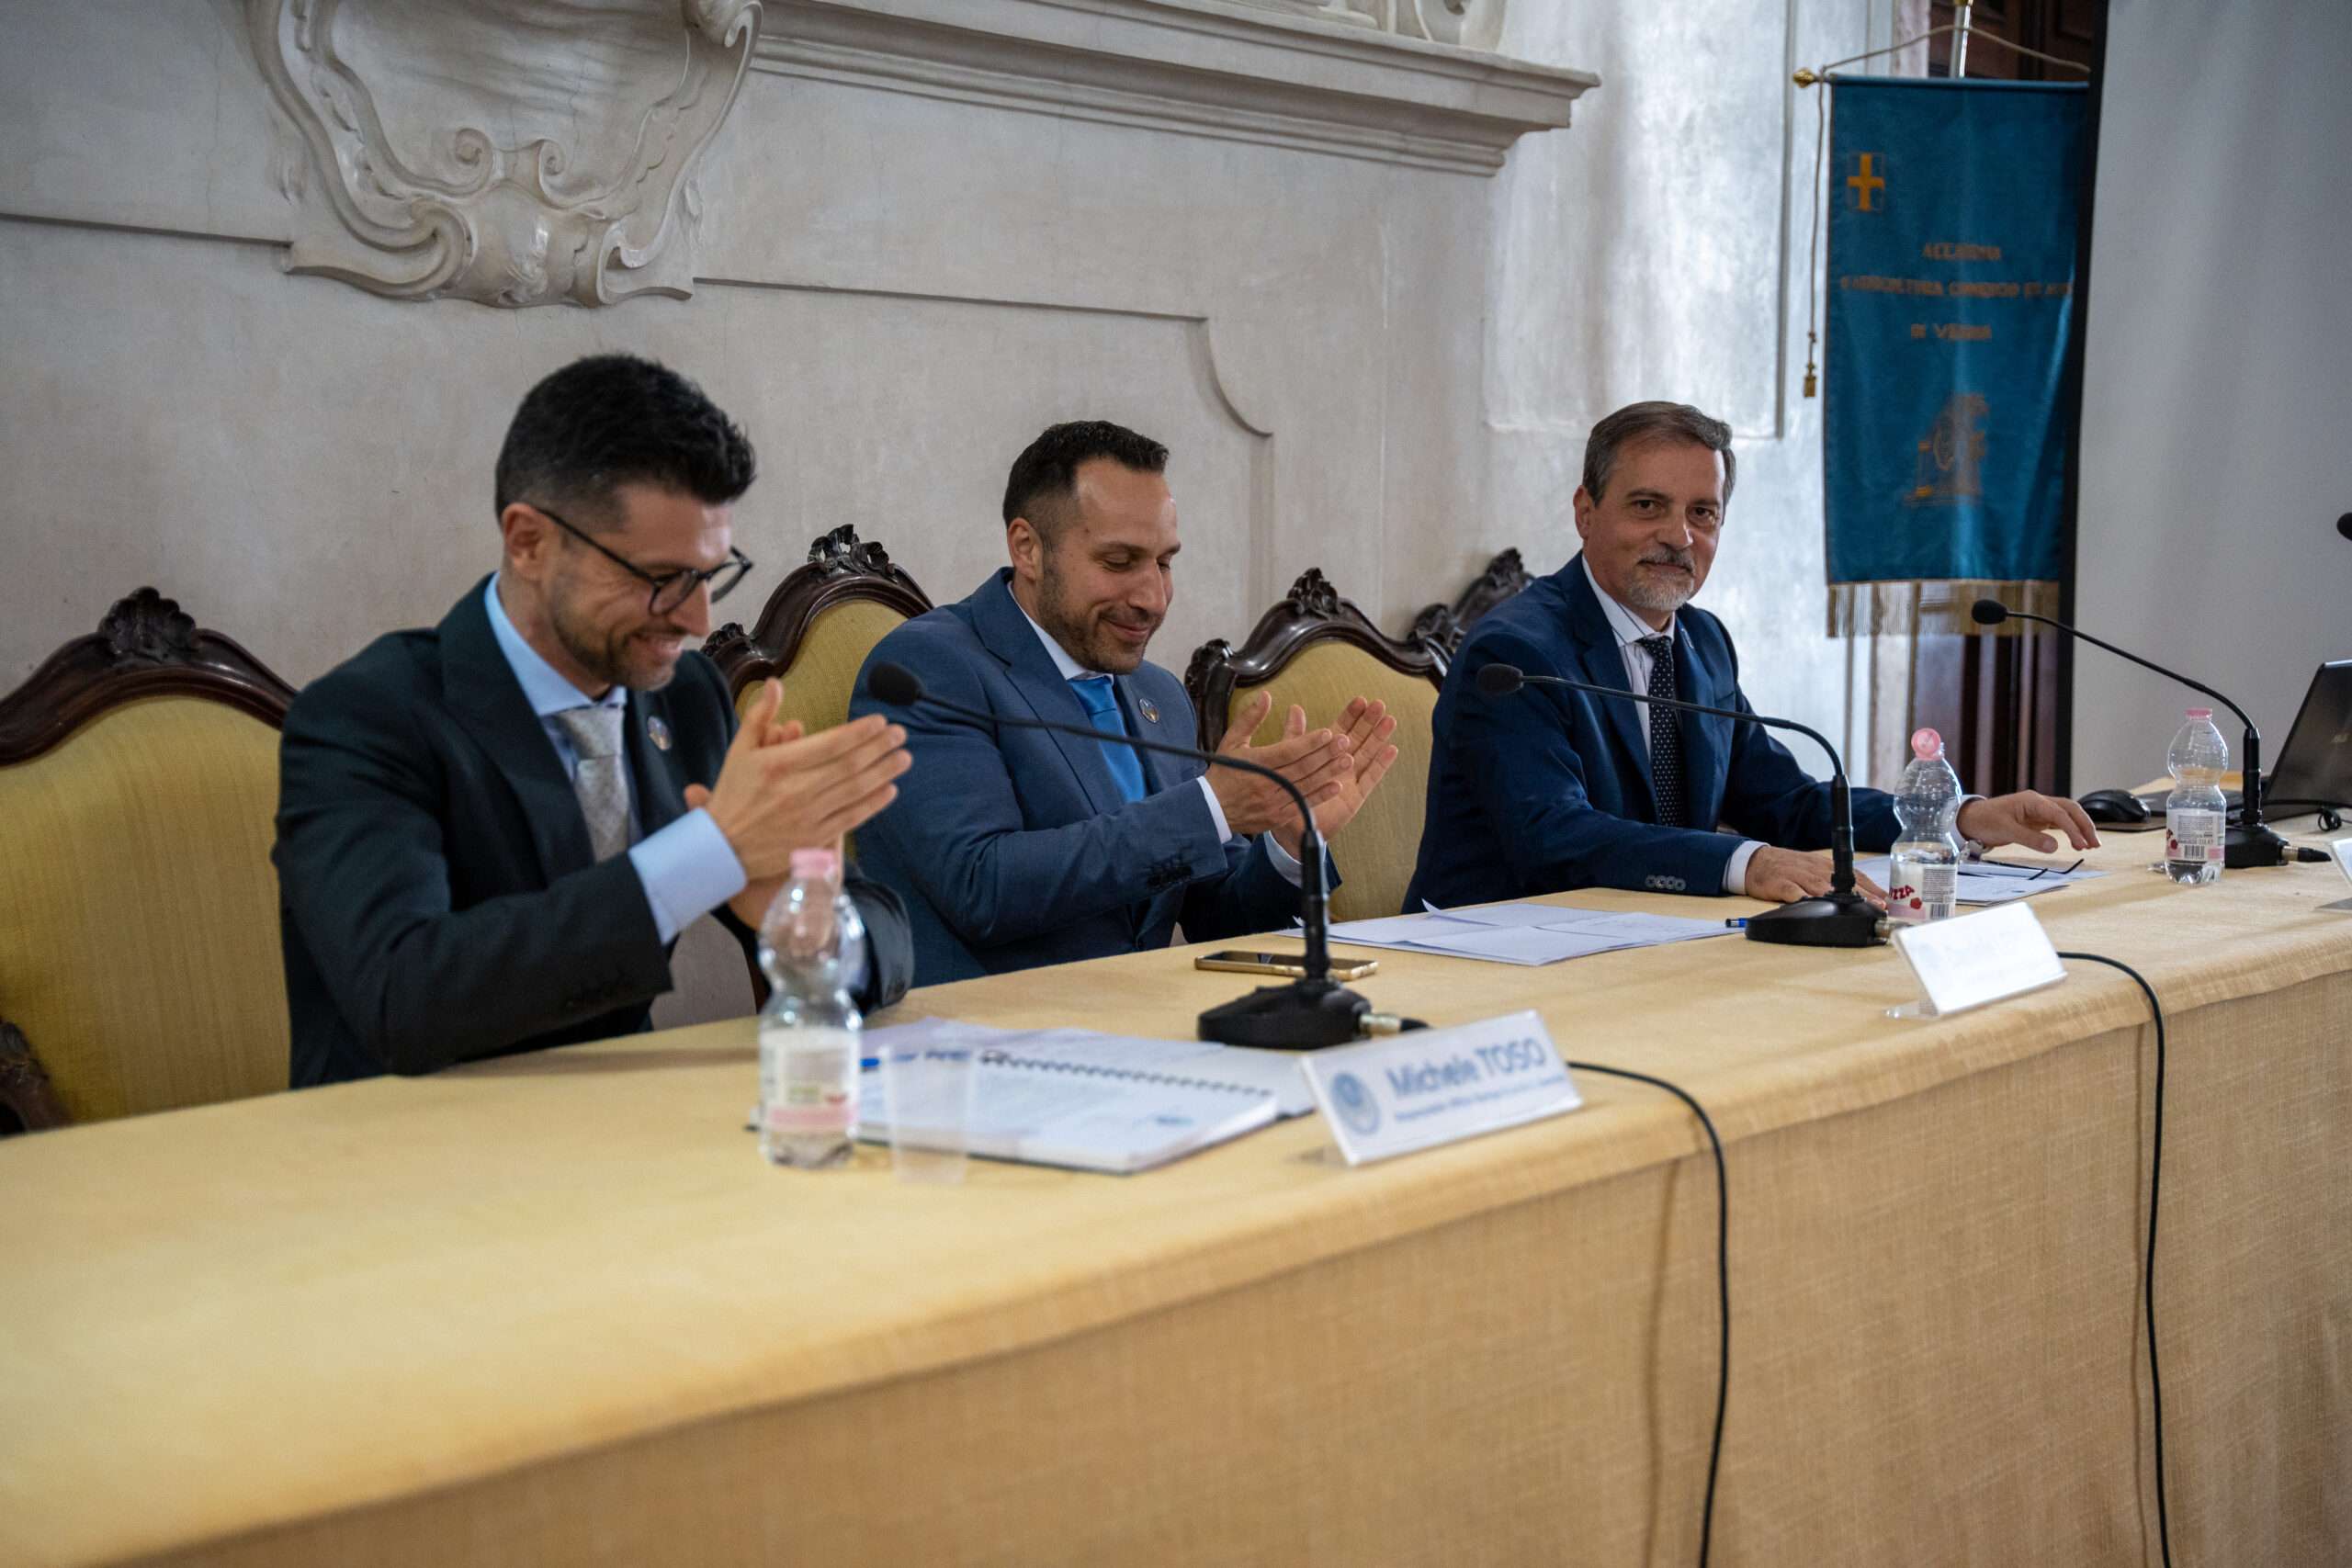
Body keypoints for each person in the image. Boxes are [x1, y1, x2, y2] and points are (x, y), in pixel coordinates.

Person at [276, 354, 915, 1086]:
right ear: (528, 541)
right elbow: (403, 998)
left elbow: (885, 930)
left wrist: (813, 929)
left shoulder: (686, 697)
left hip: (623, 1122)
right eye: (661, 578)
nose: (698, 619)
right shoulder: (365, 716)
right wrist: (711, 853)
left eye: (709, 574)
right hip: (399, 1138)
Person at [1406, 400, 2097, 909]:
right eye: (1648, 506)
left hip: (1646, 941)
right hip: (1488, 959)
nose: (1679, 536)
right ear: (1586, 512)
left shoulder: (1702, 640)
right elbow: (1554, 838)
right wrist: (1746, 863)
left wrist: (1955, 817)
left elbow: (1787, 803)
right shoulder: (1516, 652)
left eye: (1702, 513)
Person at [850, 419, 1400, 981]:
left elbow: (1217, 919)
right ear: (1029, 549)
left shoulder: (1158, 695)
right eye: (1119, 562)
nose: (1153, 599)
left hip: (1144, 1020)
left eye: (1164, 562)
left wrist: (1289, 843)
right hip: (985, 1024)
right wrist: (1211, 808)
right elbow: (982, 888)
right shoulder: (931, 669)